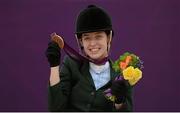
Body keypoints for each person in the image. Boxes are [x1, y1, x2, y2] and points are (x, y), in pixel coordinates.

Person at [45, 5, 133, 111]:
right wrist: (54, 66)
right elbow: (55, 108)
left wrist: (119, 101)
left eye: (98, 36)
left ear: (108, 37)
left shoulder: (121, 75)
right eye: (87, 38)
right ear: (81, 41)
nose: (92, 44)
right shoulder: (71, 65)